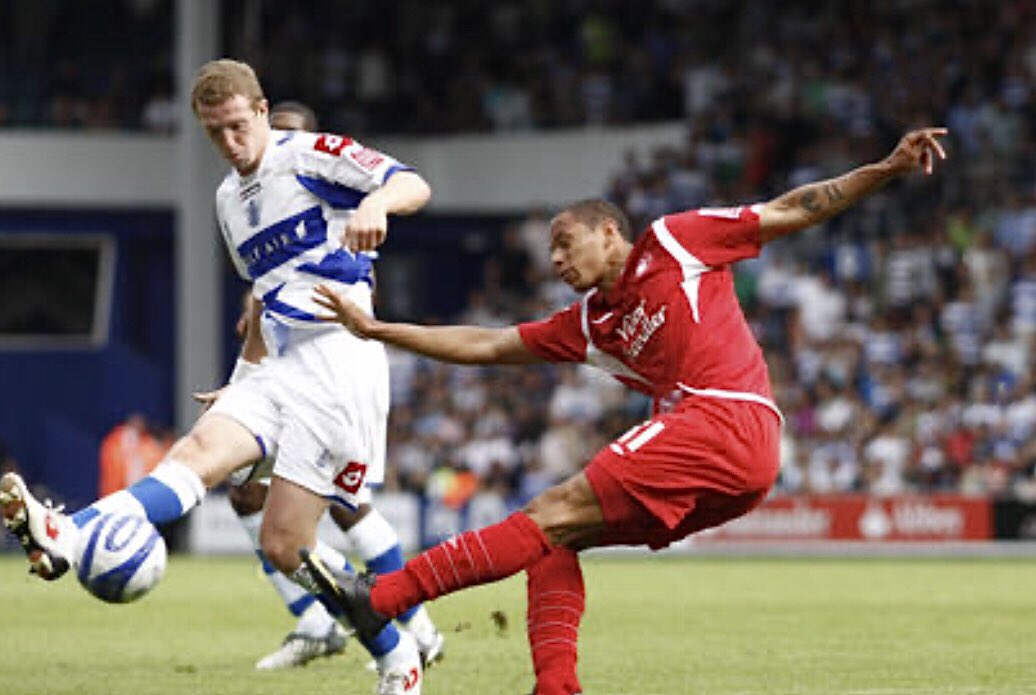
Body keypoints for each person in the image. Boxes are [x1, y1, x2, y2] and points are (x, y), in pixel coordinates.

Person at [307, 128, 949, 695]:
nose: (555, 260)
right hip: (732, 463)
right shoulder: (588, 322)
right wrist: (379, 331)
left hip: (726, 418)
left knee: (546, 513)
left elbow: (792, 209)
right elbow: (489, 344)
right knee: (552, 540)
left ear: (608, 231)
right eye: (550, 253)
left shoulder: (676, 241)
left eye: (565, 243)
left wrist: (886, 169)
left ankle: (384, 597)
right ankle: (556, 686)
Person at [0, 59, 429, 695]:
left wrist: (377, 201)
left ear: (260, 111)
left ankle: (399, 655)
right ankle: (66, 531)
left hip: (340, 361)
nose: (229, 144)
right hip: (276, 367)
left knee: (289, 545)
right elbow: (261, 297)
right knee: (197, 452)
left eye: (236, 126)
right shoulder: (229, 201)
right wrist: (241, 381)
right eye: (214, 134)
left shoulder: (311, 156)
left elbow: (412, 183)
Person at [210, 99, 443, 672]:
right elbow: (265, 299)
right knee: (246, 490)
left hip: (335, 375)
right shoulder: (247, 207)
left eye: (288, 135)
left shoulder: (330, 195)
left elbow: (356, 295)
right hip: (282, 374)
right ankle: (317, 622)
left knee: (345, 507)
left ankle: (415, 626)